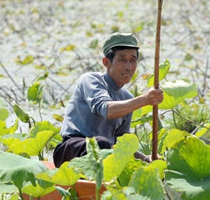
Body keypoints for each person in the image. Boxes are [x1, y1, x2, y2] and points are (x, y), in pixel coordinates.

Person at [53, 33, 163, 167]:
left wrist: (146, 160)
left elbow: (121, 144)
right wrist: (144, 100)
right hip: (72, 150)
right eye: (122, 60)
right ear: (106, 62)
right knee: (100, 144)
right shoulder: (91, 80)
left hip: (104, 155)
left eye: (133, 60)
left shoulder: (127, 98)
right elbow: (106, 109)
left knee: (113, 152)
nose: (128, 67)